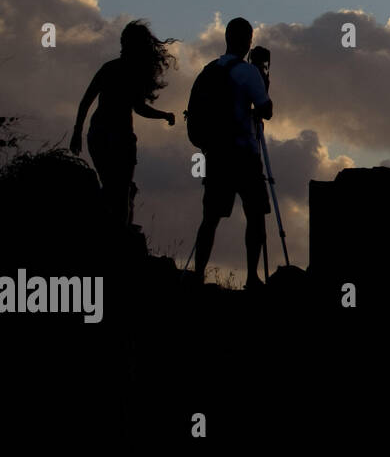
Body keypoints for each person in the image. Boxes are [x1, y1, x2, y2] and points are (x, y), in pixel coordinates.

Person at [71, 20, 178, 232]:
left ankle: (111, 230)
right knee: (120, 191)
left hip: (99, 135)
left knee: (113, 188)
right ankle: (119, 236)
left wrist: (77, 131)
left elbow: (86, 102)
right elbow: (140, 109)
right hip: (118, 138)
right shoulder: (134, 74)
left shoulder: (110, 68)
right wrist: (164, 115)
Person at [190, 18, 273, 287]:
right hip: (243, 154)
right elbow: (266, 110)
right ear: (248, 41)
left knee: (209, 219)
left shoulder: (209, 70)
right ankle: (251, 277)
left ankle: (198, 274)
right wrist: (262, 75)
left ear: (226, 37)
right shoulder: (248, 72)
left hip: (216, 154)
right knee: (256, 215)